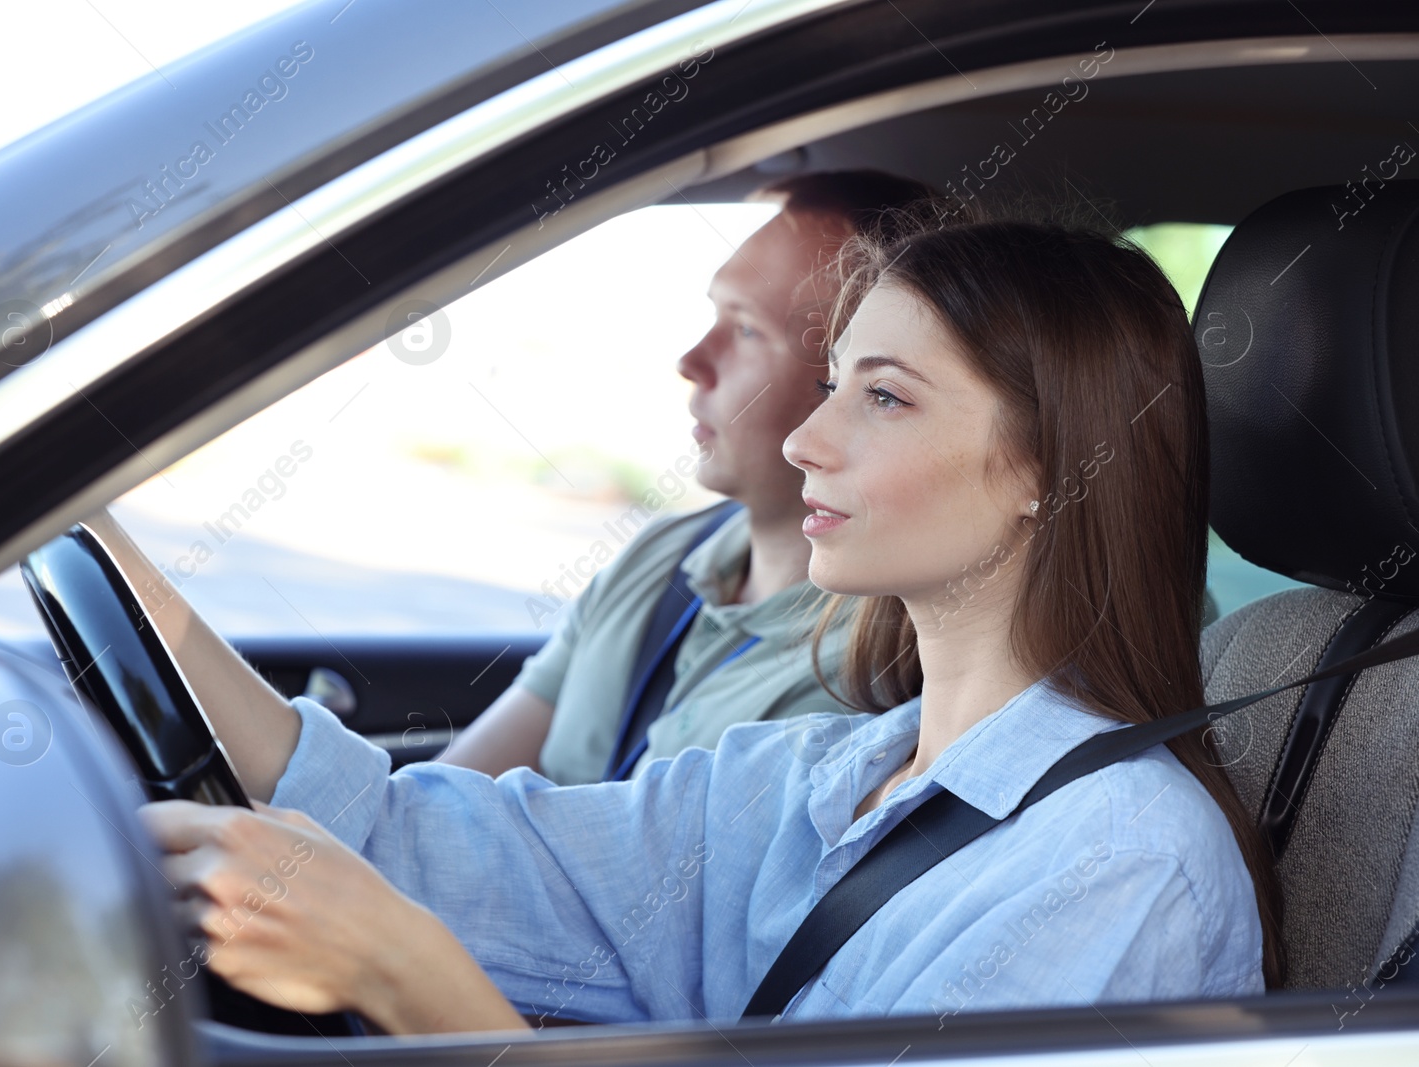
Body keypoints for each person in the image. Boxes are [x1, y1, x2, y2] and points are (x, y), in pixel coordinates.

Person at [132, 208, 1283, 1037]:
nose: (805, 440)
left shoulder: (1119, 865)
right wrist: (107, 551)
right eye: (829, 381)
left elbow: (403, 914)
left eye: (882, 395)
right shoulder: (817, 779)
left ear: (1049, 464)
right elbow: (407, 837)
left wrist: (403, 969)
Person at [440, 171, 932, 782]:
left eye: (748, 329)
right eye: (714, 315)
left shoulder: (880, 671)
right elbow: (446, 796)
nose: (691, 361)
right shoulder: (663, 554)